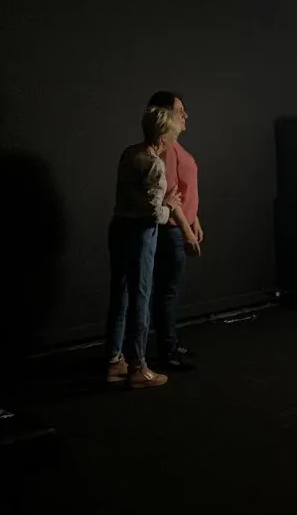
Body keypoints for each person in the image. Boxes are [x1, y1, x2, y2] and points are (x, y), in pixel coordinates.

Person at [105, 106, 189, 389]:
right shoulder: (155, 164)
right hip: (140, 234)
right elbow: (154, 215)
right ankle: (138, 366)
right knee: (141, 296)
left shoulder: (129, 152)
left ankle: (115, 361)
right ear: (163, 136)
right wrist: (169, 204)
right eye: (174, 133)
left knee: (120, 294)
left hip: (118, 228)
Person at [146, 91, 202, 370]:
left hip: (179, 228)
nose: (185, 115)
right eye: (180, 110)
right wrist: (187, 231)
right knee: (166, 292)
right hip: (171, 231)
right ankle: (167, 351)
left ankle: (170, 343)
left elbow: (186, 191)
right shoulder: (166, 152)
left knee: (169, 291)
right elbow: (170, 194)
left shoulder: (177, 149)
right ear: (166, 115)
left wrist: (195, 220)